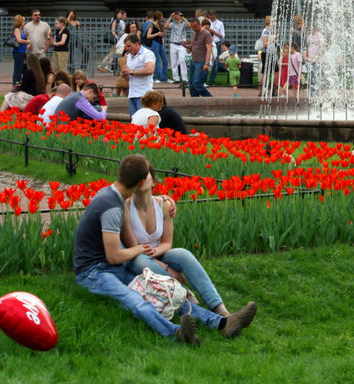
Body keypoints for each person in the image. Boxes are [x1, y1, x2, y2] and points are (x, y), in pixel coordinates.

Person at [73, 155, 255, 345]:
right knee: (136, 300)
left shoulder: (114, 197)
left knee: (159, 291)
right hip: (93, 272)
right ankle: (176, 334)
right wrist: (138, 250)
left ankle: (222, 323)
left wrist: (140, 247)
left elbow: (127, 244)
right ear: (142, 182)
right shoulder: (112, 207)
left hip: (115, 267)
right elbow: (113, 256)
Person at [122, 166, 255, 321]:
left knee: (184, 254)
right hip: (135, 257)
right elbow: (132, 247)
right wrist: (165, 267)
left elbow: (167, 242)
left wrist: (158, 253)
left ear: (154, 182)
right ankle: (185, 293)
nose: (141, 179)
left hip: (158, 251)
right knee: (141, 260)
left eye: (145, 175)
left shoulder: (163, 205)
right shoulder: (125, 207)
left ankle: (222, 310)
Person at [122, 34, 156, 115]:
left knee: (142, 122)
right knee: (133, 123)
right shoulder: (129, 55)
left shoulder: (148, 54)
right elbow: (128, 72)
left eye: (129, 46)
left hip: (144, 95)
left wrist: (131, 72)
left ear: (137, 44)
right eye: (126, 46)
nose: (127, 48)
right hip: (132, 94)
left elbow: (150, 70)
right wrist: (125, 73)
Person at [185, 19, 213, 98]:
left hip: (201, 61)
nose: (194, 29)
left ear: (199, 25)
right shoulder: (194, 33)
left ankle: (209, 98)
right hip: (193, 60)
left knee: (197, 82)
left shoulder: (206, 34)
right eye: (193, 27)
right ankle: (195, 100)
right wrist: (186, 45)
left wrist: (206, 63)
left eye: (195, 27)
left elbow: (209, 49)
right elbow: (193, 46)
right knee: (191, 84)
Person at [166, 11, 189, 84]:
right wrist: (171, 16)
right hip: (173, 43)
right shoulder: (172, 23)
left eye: (178, 15)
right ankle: (176, 78)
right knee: (174, 62)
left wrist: (182, 17)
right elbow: (166, 26)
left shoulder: (183, 23)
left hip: (181, 44)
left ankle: (185, 78)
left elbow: (189, 25)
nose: (177, 16)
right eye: (176, 15)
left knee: (182, 61)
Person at [145, 11, 168, 83]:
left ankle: (164, 77)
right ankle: (155, 77)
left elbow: (162, 34)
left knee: (165, 60)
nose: (162, 18)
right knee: (157, 60)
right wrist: (157, 34)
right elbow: (148, 36)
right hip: (155, 43)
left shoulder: (159, 25)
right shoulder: (152, 25)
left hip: (160, 43)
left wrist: (164, 28)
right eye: (161, 16)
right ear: (158, 17)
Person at [10, 14, 29, 85]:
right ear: (20, 22)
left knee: (24, 68)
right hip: (18, 52)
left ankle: (22, 83)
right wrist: (28, 41)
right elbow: (19, 40)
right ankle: (16, 83)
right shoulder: (17, 30)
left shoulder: (22, 30)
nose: (24, 22)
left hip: (23, 51)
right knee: (18, 69)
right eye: (23, 21)